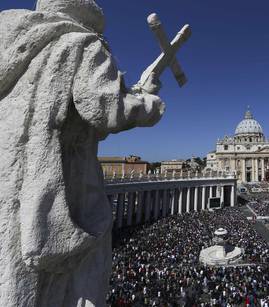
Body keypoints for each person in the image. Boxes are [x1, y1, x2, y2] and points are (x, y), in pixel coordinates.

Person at [0, 0, 164, 306]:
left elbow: (84, 121)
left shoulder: (11, 43)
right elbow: (107, 111)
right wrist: (149, 101)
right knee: (78, 278)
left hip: (8, 181)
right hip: (58, 187)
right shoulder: (81, 42)